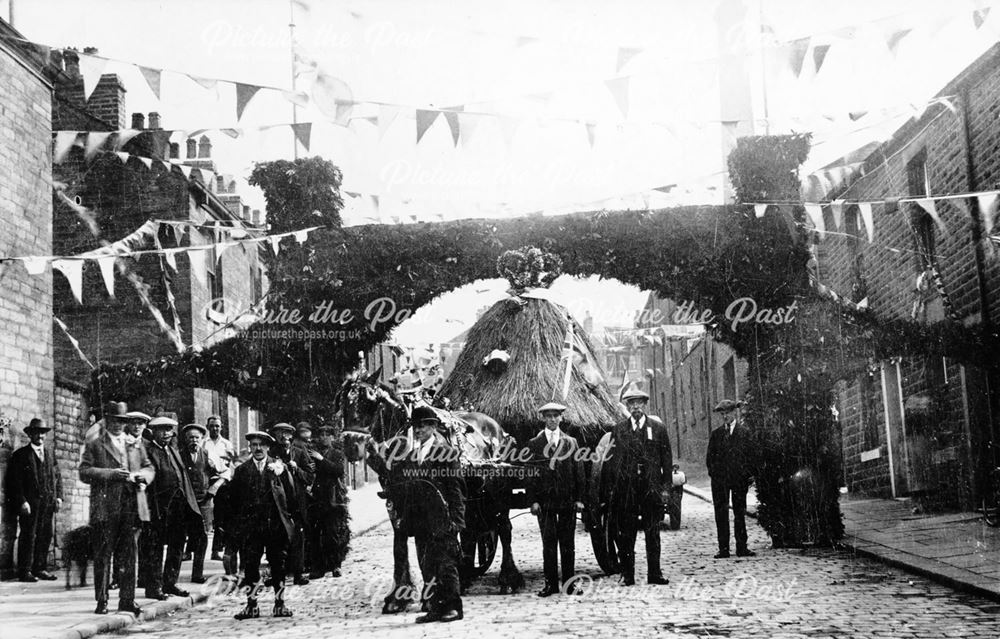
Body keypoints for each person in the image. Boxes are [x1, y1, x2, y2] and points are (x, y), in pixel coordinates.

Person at [389, 405, 464, 623]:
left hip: (442, 518)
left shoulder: (446, 452)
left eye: (423, 426)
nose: (418, 430)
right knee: (427, 564)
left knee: (446, 563)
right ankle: (435, 607)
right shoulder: (413, 455)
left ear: (433, 427)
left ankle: (453, 607)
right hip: (420, 521)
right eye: (415, 427)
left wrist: (457, 520)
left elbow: (456, 487)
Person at [79, 401, 155, 615]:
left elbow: (148, 466)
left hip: (131, 506)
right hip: (105, 507)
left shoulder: (134, 444)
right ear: (108, 421)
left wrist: (144, 477)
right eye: (114, 421)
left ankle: (127, 600)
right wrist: (109, 474)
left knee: (130, 555)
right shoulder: (96, 444)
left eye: (122, 421)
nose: (118, 425)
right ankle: (102, 600)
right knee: (104, 555)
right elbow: (84, 471)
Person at [602, 386, 672, 586]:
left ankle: (655, 574)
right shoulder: (620, 430)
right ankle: (628, 575)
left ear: (645, 405)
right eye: (631, 404)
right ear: (627, 406)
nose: (636, 407)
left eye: (639, 403)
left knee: (653, 532)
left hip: (651, 488)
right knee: (627, 534)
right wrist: (613, 488)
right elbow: (612, 461)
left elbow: (666, 460)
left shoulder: (658, 429)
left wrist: (666, 488)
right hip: (627, 490)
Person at [230, 430, 297, 619]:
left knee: (278, 565)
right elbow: (234, 500)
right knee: (251, 566)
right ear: (250, 448)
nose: (258, 449)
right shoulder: (242, 470)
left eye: (261, 445)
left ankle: (280, 604)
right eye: (254, 445)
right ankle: (252, 606)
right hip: (252, 528)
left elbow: (290, 495)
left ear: (268, 447)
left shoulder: (278, 467)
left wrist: (289, 520)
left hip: (274, 526)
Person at [526, 402, 584, 597]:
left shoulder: (571, 443)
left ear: (561, 418)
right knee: (548, 544)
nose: (552, 419)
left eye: (555, 416)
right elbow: (531, 475)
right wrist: (533, 500)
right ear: (543, 418)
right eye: (548, 416)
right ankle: (550, 585)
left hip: (566, 501)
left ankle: (570, 584)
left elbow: (579, 473)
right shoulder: (535, 443)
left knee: (568, 545)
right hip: (546, 504)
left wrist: (579, 499)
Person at [141, 415, 201, 600]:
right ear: (154, 432)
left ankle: (170, 582)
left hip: (178, 506)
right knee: (156, 546)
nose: (167, 433)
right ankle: (154, 587)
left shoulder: (173, 450)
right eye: (162, 430)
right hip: (159, 507)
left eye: (169, 430)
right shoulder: (148, 451)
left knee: (177, 544)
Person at [3, 418, 63, 581]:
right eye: (36, 433)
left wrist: (58, 497)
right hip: (30, 504)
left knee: (46, 535)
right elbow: (13, 482)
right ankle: (25, 571)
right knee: (28, 535)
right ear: (30, 435)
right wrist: (22, 501)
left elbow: (57, 477)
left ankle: (40, 568)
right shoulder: (20, 455)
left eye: (42, 433)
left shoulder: (50, 454)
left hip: (47, 503)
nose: (40, 436)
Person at [706, 399, 756, 559]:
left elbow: (751, 456)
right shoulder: (716, 435)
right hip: (720, 481)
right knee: (721, 513)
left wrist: (747, 475)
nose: (725, 416)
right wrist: (715, 474)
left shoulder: (745, 433)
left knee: (739, 512)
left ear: (734, 413)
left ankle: (742, 547)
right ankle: (724, 548)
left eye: (727, 413)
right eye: (722, 414)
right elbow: (710, 459)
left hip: (738, 479)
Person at [269, 422, 313, 585]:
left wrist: (297, 470)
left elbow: (310, 476)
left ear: (291, 436)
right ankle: (277, 573)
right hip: (279, 502)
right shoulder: (272, 453)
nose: (283, 437)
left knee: (298, 537)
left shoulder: (300, 453)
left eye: (287, 433)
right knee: (278, 537)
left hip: (297, 501)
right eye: (279, 433)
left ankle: (298, 574)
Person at [307, 425, 350, 579]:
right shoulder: (312, 453)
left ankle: (336, 565)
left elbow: (338, 470)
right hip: (317, 498)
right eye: (322, 434)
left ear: (332, 437)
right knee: (316, 534)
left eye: (327, 434)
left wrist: (321, 459)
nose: (324, 437)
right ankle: (319, 568)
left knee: (332, 533)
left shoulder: (337, 453)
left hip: (332, 498)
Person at [179, 423, 213, 583]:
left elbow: (220, 471)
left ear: (202, 439)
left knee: (203, 537)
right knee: (182, 535)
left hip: (203, 501)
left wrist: (213, 489)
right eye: (191, 438)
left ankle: (197, 574)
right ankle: (173, 576)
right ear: (186, 439)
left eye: (197, 438)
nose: (194, 441)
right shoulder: (179, 455)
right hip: (186, 502)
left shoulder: (206, 454)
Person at [202, 415, 235, 561]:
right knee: (201, 516)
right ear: (207, 427)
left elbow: (229, 465)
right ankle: (193, 550)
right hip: (206, 481)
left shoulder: (226, 444)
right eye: (212, 425)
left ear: (221, 427)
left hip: (222, 482)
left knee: (221, 516)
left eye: (217, 426)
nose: (215, 428)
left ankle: (216, 550)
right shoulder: (203, 443)